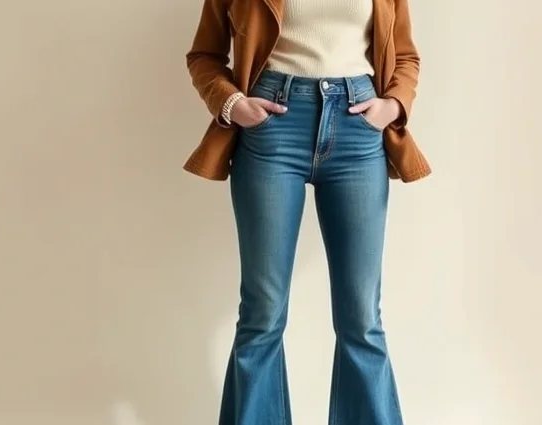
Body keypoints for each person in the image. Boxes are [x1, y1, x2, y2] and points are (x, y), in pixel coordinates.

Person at [183, 1, 431, 424]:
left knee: (361, 318)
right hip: (272, 128)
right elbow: (204, 55)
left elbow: (405, 56)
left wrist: (392, 105)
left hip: (359, 129)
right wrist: (232, 104)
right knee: (262, 314)